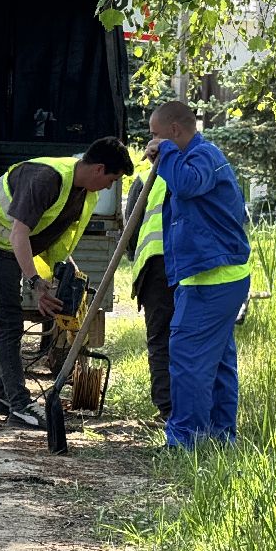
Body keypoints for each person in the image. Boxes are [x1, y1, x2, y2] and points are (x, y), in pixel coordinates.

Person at [0, 137, 134, 428]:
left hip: (20, 246)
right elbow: (17, 235)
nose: (111, 186)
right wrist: (35, 282)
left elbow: (54, 239)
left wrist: (66, 277)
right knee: (7, 322)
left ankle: (0, 396)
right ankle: (20, 405)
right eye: (112, 178)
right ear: (99, 169)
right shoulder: (46, 179)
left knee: (3, 321)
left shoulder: (85, 191)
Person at [144, 101, 250, 449]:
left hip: (212, 279)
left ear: (175, 131)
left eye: (156, 135)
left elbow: (188, 186)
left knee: (188, 358)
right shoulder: (194, 157)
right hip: (212, 275)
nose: (152, 143)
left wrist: (167, 155)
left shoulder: (202, 157)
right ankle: (221, 437)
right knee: (218, 362)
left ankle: (184, 441)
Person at [124, 169, 172, 424]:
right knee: (188, 338)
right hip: (193, 266)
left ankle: (167, 409)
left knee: (160, 338)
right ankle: (186, 410)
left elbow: (130, 228)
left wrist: (134, 256)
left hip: (156, 267)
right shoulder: (203, 169)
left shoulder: (146, 177)